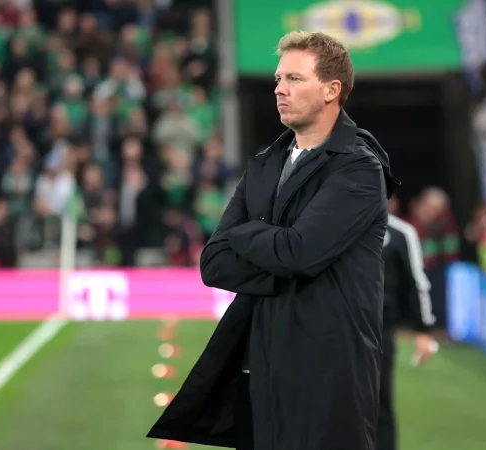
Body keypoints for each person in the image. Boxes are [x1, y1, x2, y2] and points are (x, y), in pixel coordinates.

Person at [147, 31, 400, 450]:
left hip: (328, 372)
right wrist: (280, 253)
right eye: (279, 79)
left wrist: (243, 232)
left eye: (295, 79)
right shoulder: (265, 164)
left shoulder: (358, 167)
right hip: (259, 366)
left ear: (331, 90)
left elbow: (298, 252)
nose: (280, 89)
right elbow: (214, 263)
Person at [377, 196, 438, 450]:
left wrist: (422, 330)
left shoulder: (400, 233)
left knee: (379, 402)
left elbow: (416, 282)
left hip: (379, 330)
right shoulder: (334, 224)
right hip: (334, 328)